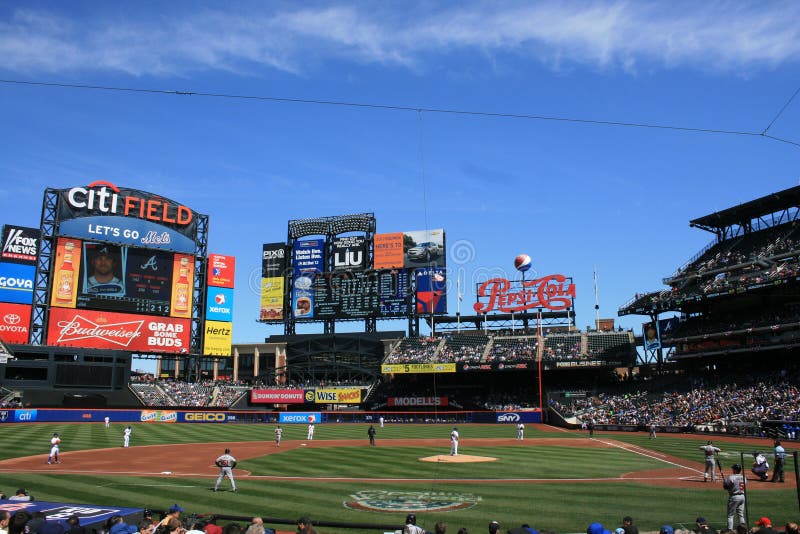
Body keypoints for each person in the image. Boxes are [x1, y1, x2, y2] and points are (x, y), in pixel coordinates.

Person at [723, 464, 746, 530]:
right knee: (741, 515)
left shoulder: (731, 477)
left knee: (730, 515)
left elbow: (726, 487)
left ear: (735, 470)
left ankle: (729, 530)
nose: (732, 470)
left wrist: (724, 483)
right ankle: (743, 530)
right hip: (742, 497)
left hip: (734, 497)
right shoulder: (743, 477)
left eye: (733, 469)